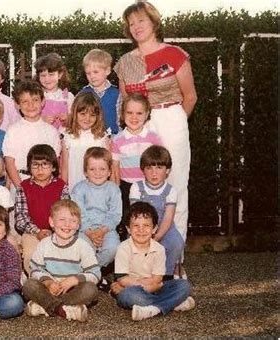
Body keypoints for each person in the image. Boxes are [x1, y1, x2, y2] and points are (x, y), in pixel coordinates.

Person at [115, 1, 198, 277]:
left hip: (171, 119)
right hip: (140, 124)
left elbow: (190, 97)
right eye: (131, 23)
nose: (136, 27)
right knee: (143, 190)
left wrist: (174, 124)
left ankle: (175, 259)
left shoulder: (175, 55)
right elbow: (126, 102)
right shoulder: (125, 63)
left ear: (153, 22)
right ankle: (144, 260)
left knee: (175, 189)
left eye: (140, 21)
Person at [110, 202, 195, 321]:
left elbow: (158, 279)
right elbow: (123, 279)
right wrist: (148, 286)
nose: (141, 230)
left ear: (154, 228)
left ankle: (154, 309)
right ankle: (173, 303)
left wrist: (152, 286)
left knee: (184, 285)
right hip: (134, 289)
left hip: (153, 289)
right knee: (128, 295)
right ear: (128, 229)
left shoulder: (159, 249)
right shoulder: (123, 248)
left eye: (146, 225)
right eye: (136, 226)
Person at [22, 199, 100, 322]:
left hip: (73, 291)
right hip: (49, 289)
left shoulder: (83, 246)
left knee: (91, 289)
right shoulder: (44, 244)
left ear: (78, 224)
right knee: (29, 285)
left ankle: (45, 306)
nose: (67, 225)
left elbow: (95, 273)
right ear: (51, 222)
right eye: (62, 220)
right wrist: (48, 282)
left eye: (73, 221)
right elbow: (35, 269)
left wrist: (74, 280)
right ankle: (65, 309)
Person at [111, 92, 162, 238]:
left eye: (139, 113)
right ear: (122, 114)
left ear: (147, 115)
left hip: (148, 186)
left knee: (147, 219)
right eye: (129, 112)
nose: (134, 117)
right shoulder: (117, 139)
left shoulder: (153, 138)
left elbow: (159, 164)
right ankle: (124, 252)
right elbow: (115, 169)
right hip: (126, 187)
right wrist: (116, 193)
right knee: (127, 220)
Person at [129, 145, 185, 277]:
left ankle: (167, 274)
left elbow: (168, 217)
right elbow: (136, 216)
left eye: (159, 168)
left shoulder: (171, 191)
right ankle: (142, 274)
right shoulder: (136, 187)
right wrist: (147, 234)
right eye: (149, 168)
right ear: (143, 170)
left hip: (164, 228)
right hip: (141, 227)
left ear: (167, 170)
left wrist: (158, 235)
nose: (154, 173)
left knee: (176, 243)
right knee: (135, 246)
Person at [15, 144, 70, 274]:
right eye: (35, 165)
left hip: (57, 232)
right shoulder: (23, 187)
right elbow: (20, 217)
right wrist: (37, 232)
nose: (40, 169)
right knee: (31, 255)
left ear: (53, 167)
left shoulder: (61, 186)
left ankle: (57, 281)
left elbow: (66, 213)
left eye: (45, 164)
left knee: (63, 255)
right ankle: (34, 284)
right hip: (32, 233)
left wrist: (55, 231)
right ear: (29, 167)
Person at [3, 80, 61, 189]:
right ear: (17, 105)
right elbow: (9, 163)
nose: (31, 105)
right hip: (19, 182)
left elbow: (55, 162)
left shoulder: (51, 131)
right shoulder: (13, 131)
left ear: (43, 102)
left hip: (46, 185)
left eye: (35, 100)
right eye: (25, 101)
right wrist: (21, 189)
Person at [71, 147, 121, 273]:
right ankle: (88, 273)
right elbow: (78, 214)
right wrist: (91, 233)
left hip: (107, 229)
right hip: (84, 229)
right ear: (85, 172)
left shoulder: (113, 189)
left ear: (109, 171)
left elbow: (115, 215)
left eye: (102, 169)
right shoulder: (79, 189)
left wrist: (102, 231)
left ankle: (93, 271)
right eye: (92, 169)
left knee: (113, 248)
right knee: (84, 247)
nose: (97, 173)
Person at [61, 92, 111, 191]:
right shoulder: (68, 137)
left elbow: (109, 166)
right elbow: (65, 167)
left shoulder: (102, 138)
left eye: (92, 115)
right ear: (75, 113)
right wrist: (62, 190)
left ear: (98, 116)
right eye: (83, 114)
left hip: (98, 189)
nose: (87, 119)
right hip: (74, 188)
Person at [80, 49, 121, 135]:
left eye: (95, 72)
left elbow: (120, 118)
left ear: (107, 71)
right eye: (88, 73)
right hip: (89, 136)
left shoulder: (117, 94)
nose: (92, 76)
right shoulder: (82, 94)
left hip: (112, 136)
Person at [34, 52, 74, 130]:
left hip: (63, 138)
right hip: (42, 138)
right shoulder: (36, 96)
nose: (47, 79)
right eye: (43, 75)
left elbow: (76, 119)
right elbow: (29, 118)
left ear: (59, 75)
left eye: (51, 74)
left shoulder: (68, 96)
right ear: (38, 77)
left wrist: (68, 118)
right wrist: (42, 119)